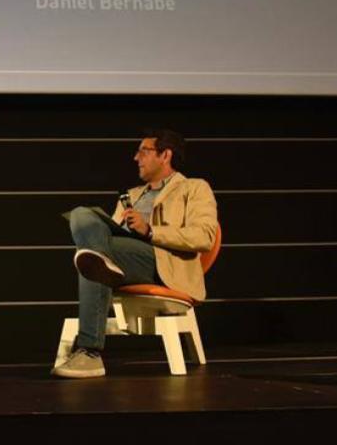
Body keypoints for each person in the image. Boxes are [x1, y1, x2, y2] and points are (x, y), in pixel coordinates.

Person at [53, 129, 219, 379]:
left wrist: (150, 230)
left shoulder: (194, 188)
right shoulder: (130, 195)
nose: (135, 157)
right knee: (81, 215)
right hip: (124, 255)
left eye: (143, 151)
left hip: (162, 261)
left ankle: (90, 352)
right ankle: (101, 262)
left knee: (92, 253)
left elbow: (204, 236)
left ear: (165, 155)